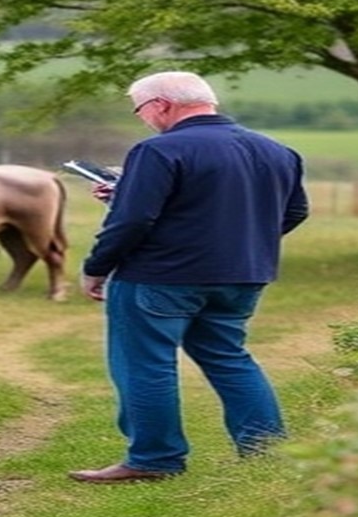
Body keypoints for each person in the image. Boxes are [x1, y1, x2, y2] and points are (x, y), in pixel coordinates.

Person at [69, 70, 309, 484]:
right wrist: (236, 245)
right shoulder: (278, 151)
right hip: (242, 277)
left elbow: (133, 220)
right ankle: (267, 454)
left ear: (161, 104)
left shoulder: (159, 150)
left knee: (145, 365)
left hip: (159, 277)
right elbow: (294, 211)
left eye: (139, 108)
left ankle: (153, 459)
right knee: (230, 359)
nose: (141, 118)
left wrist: (96, 267)